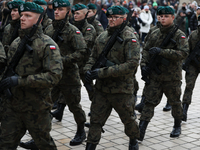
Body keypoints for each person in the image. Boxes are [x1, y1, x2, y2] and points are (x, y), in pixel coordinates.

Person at [0, 2, 63, 149]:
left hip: (37, 107)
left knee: (44, 144)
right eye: (22, 15)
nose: (22, 18)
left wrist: (19, 81)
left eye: (28, 16)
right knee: (5, 144)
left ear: (39, 19)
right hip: (13, 106)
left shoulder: (48, 45)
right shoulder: (16, 42)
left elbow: (53, 77)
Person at [84, 6, 140, 150]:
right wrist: (88, 70)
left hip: (122, 89)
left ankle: (133, 139)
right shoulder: (102, 36)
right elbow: (93, 57)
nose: (111, 20)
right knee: (95, 121)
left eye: (115, 17)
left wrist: (102, 72)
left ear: (124, 18)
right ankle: (90, 146)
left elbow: (131, 65)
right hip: (102, 89)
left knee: (128, 120)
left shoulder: (130, 37)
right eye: (109, 17)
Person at [139, 6, 189, 141]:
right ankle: (141, 128)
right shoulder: (154, 32)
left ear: (173, 17)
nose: (163, 18)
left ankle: (177, 125)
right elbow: (146, 49)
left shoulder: (179, 34)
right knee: (149, 102)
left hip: (171, 77)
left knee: (175, 103)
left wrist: (162, 52)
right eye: (161, 16)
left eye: (166, 16)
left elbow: (183, 53)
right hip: (155, 76)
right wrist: (143, 65)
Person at [45, 0, 88, 146]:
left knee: (74, 105)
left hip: (69, 76)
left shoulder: (72, 31)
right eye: (55, 9)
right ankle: (41, 134)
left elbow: (82, 52)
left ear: (68, 12)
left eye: (61, 9)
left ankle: (81, 131)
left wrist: (62, 60)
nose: (56, 11)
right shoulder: (49, 28)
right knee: (45, 105)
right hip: (52, 76)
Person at [182, 16, 200, 122]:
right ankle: (184, 110)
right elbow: (187, 50)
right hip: (193, 64)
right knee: (189, 86)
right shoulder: (194, 35)